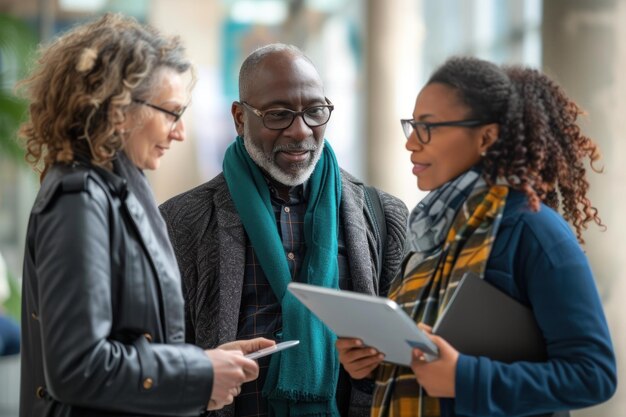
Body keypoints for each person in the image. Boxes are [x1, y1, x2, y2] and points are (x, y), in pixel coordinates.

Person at [18, 13, 274, 417]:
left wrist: (209, 363)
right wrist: (198, 372)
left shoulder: (113, 192)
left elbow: (129, 342)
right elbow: (76, 368)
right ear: (119, 109)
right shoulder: (79, 200)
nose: (180, 132)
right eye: (171, 112)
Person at [336, 56, 617, 417]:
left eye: (429, 128)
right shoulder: (430, 235)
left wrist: (465, 378)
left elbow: (593, 376)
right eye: (413, 126)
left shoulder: (534, 232)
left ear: (486, 137)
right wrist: (371, 364)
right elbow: (426, 361)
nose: (411, 144)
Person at [159, 43, 408, 417]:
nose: (300, 130)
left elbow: (410, 354)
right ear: (240, 118)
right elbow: (162, 356)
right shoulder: (181, 221)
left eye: (315, 111)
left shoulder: (383, 215)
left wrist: (381, 361)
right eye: (278, 115)